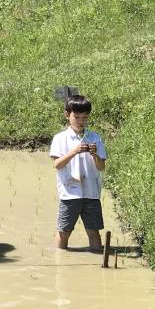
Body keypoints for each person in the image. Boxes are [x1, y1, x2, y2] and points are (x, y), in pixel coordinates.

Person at [49, 95, 107, 252]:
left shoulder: (95, 137)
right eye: (77, 117)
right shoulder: (60, 138)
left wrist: (94, 154)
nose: (81, 121)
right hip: (69, 193)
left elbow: (101, 167)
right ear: (67, 115)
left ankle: (97, 260)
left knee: (93, 232)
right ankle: (59, 261)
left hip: (91, 192)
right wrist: (74, 151)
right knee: (64, 233)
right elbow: (57, 164)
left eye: (85, 117)